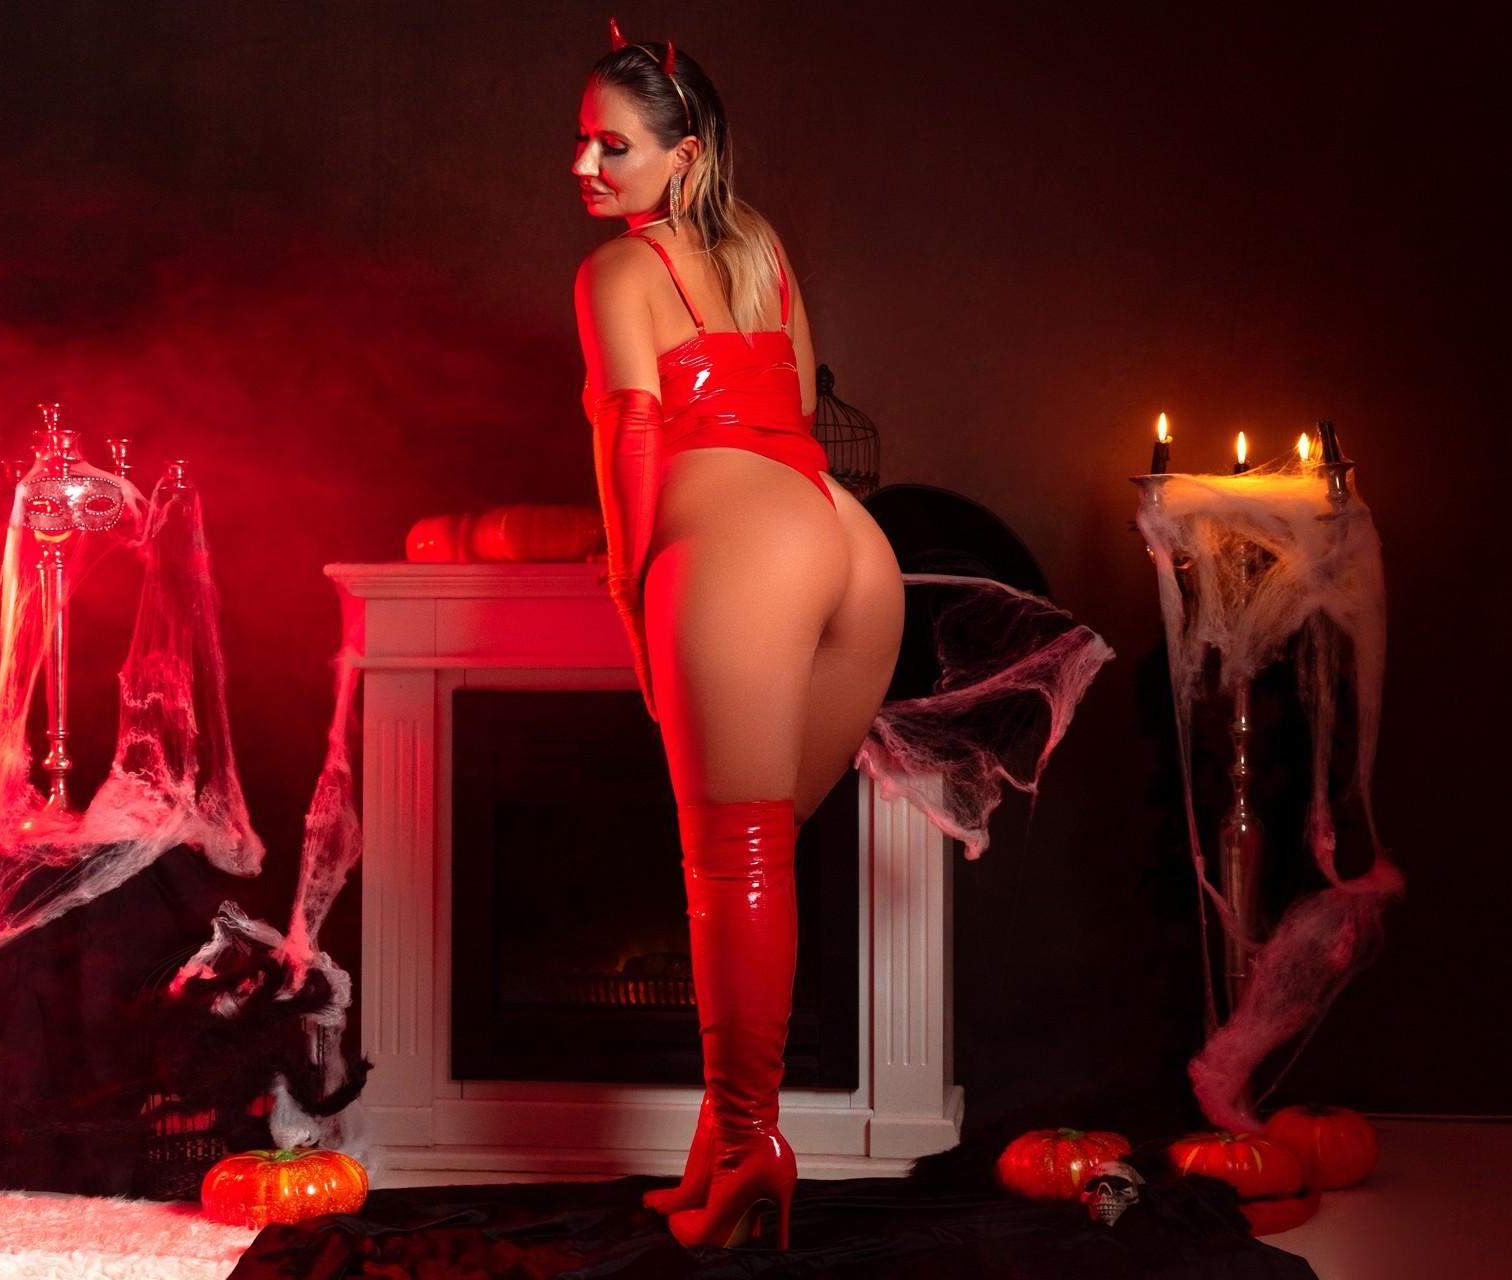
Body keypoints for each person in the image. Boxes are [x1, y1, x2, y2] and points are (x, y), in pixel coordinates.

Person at [572, 19, 905, 1252]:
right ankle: (724, 1151)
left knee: (734, 863)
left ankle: (755, 1144)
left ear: (684, 154)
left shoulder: (614, 274)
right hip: (849, 545)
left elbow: (632, 434)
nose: (585, 165)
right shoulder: (761, 249)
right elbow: (801, 408)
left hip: (740, 555)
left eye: (612, 145)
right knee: (758, 854)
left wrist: (629, 590)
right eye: (582, 141)